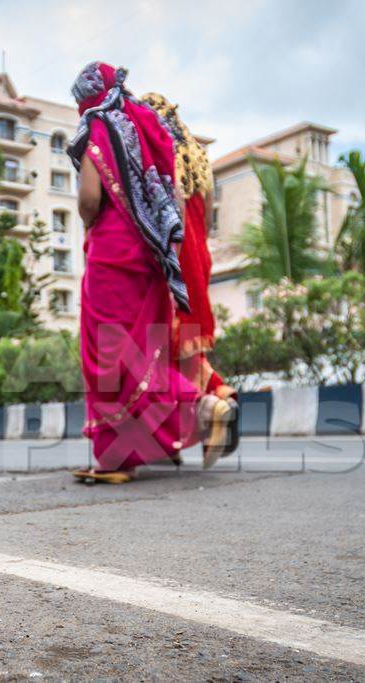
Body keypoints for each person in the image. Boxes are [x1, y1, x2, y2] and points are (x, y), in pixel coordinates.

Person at [68, 62, 225, 484]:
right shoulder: (149, 126)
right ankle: (122, 455)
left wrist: (90, 219)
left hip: (112, 254)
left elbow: (88, 198)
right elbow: (174, 194)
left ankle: (200, 407)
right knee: (146, 350)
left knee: (107, 356)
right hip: (155, 256)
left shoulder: (98, 125)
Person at [140, 92, 240, 467]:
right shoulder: (200, 159)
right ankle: (221, 397)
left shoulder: (161, 155)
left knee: (158, 354)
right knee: (188, 351)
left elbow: (173, 211)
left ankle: (205, 408)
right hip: (200, 261)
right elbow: (209, 220)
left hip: (175, 262)